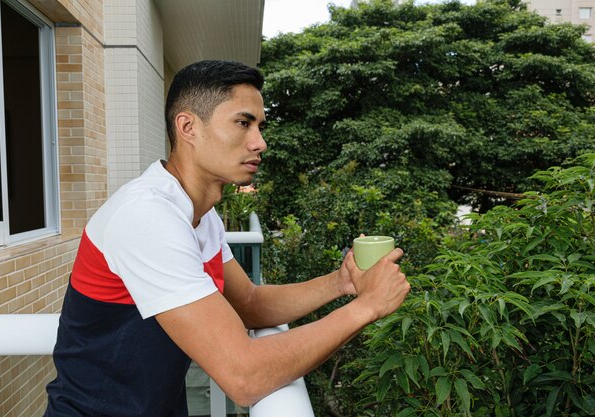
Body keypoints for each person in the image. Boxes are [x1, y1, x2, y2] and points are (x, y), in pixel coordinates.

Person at [43, 60, 410, 417]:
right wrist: (367, 307)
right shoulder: (146, 215)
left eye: (260, 126)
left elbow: (248, 302)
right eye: (243, 123)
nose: (260, 142)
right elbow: (243, 376)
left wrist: (341, 283)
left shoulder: (199, 213)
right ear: (188, 127)